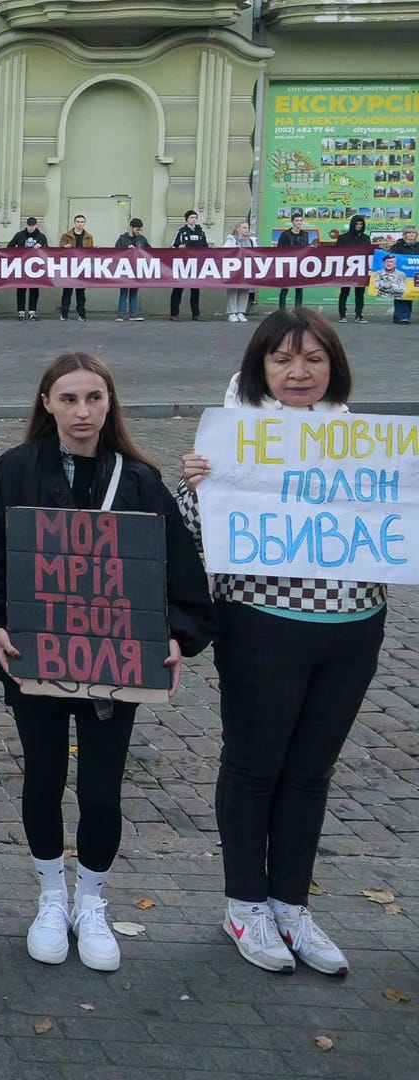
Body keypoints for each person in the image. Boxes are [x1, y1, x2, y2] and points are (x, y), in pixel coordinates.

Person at [0, 353, 214, 972]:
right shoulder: (15, 471)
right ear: (46, 402)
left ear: (109, 404)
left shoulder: (142, 480)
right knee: (43, 777)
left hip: (116, 665)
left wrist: (177, 635)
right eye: (67, 398)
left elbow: (178, 567)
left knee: (101, 789)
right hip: (36, 659)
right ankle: (50, 895)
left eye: (93, 398)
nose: (81, 411)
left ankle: (91, 899)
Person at [176, 309, 385, 976]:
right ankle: (245, 904)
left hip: (352, 627)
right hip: (263, 622)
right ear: (260, 368)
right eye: (284, 360)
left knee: (311, 770)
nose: (300, 372)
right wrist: (194, 492)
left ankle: (292, 902)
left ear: (334, 367)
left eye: (314, 358)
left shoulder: (368, 443)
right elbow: (198, 546)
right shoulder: (233, 441)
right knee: (254, 765)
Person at [168, 210, 209, 321]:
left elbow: (206, 247)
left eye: (195, 217)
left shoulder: (201, 232)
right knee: (178, 289)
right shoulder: (181, 232)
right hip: (183, 265)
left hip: (196, 265)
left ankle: (196, 314)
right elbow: (173, 247)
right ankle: (174, 313)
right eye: (191, 217)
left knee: (195, 290)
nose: (193, 219)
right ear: (186, 219)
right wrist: (179, 247)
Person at [333, 213, 374, 323]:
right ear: (352, 224)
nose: (359, 226)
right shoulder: (343, 238)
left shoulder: (366, 238)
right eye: (357, 223)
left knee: (360, 294)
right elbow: (336, 254)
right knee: (344, 292)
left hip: (361, 270)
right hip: (346, 270)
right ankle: (342, 315)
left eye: (361, 224)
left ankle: (359, 315)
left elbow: (369, 253)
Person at [9, 216, 49, 320]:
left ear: (36, 225)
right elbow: (10, 247)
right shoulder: (19, 235)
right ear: (26, 225)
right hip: (21, 266)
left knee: (34, 289)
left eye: (33, 226)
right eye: (29, 226)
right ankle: (21, 312)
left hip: (36, 267)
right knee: (21, 289)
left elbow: (48, 252)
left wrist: (42, 246)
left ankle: (32, 311)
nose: (31, 228)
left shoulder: (41, 236)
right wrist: (18, 249)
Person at [57, 214, 94, 321]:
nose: (80, 224)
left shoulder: (89, 237)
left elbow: (91, 252)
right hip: (69, 267)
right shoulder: (66, 236)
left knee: (81, 293)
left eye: (82, 222)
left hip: (82, 268)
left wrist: (95, 249)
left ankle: (81, 314)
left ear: (84, 223)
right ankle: (64, 313)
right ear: (74, 223)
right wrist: (64, 247)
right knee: (67, 292)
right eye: (78, 221)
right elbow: (59, 251)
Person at [275, 211, 314, 310]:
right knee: (284, 288)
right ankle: (282, 310)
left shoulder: (305, 234)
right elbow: (280, 249)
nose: (299, 222)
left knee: (299, 288)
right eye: (297, 220)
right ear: (292, 222)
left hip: (300, 264)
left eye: (301, 220)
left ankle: (298, 309)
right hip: (288, 264)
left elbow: (306, 248)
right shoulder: (285, 234)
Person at [114, 218, 151, 321]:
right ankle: (121, 314)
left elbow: (150, 251)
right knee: (124, 292)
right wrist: (126, 249)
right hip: (124, 269)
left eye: (140, 229)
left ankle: (133, 314)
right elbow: (115, 252)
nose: (139, 231)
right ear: (131, 228)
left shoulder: (142, 239)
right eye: (137, 229)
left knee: (134, 292)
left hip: (137, 269)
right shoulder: (122, 239)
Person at [223, 221, 259, 322]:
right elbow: (224, 252)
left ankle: (241, 312)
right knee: (233, 290)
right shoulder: (231, 240)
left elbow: (257, 252)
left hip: (247, 268)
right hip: (234, 269)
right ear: (237, 229)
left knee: (245, 290)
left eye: (247, 228)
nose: (246, 230)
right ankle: (232, 312)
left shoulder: (252, 241)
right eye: (244, 227)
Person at [388, 225, 418, 325]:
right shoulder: (397, 246)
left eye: (413, 232)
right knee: (401, 294)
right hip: (401, 275)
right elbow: (390, 257)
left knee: (412, 293)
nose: (411, 234)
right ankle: (402, 316)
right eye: (409, 233)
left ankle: (401, 316)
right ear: (404, 235)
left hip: (415, 275)